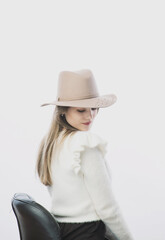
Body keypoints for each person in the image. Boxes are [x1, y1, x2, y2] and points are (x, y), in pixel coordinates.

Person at [36, 69, 134, 240]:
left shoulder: (52, 144)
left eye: (94, 108)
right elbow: (107, 208)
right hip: (89, 233)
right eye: (81, 110)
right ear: (63, 111)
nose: (90, 116)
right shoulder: (85, 144)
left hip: (62, 231)